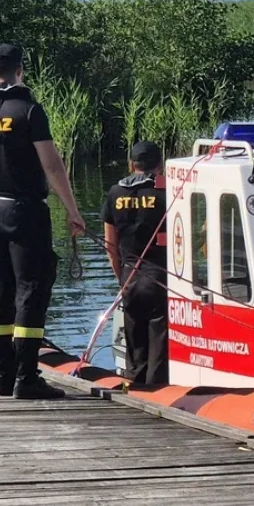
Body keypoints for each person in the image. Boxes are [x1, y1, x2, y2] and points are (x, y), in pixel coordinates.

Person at [0, 43, 85, 399]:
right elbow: (51, 164)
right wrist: (73, 211)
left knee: (0, 290)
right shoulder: (28, 110)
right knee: (31, 288)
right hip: (25, 209)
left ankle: (3, 375)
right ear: (20, 71)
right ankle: (27, 378)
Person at [102, 141, 169, 385]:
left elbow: (111, 245)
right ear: (159, 165)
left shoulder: (114, 193)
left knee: (134, 345)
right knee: (159, 345)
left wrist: (121, 277)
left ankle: (136, 386)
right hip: (159, 276)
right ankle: (157, 392)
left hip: (129, 275)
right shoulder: (165, 192)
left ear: (131, 164)